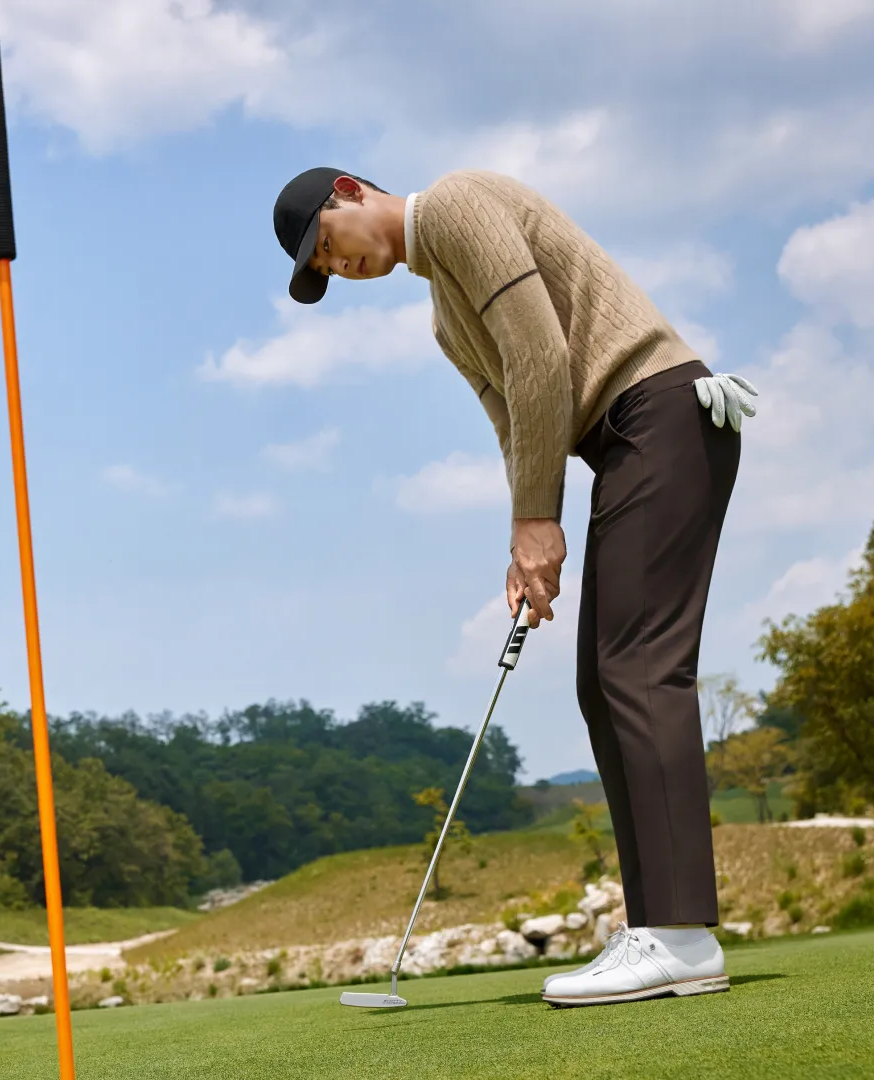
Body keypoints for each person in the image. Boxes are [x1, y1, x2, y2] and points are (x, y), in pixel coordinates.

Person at [271, 167, 757, 1007]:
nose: (335, 268)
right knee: (602, 687)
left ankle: (682, 935)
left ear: (350, 191)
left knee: (638, 670)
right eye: (321, 270)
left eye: (325, 244)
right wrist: (524, 539)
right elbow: (513, 418)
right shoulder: (441, 321)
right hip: (626, 444)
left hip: (664, 414)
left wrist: (541, 517)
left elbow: (541, 353)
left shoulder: (459, 205)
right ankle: (657, 927)